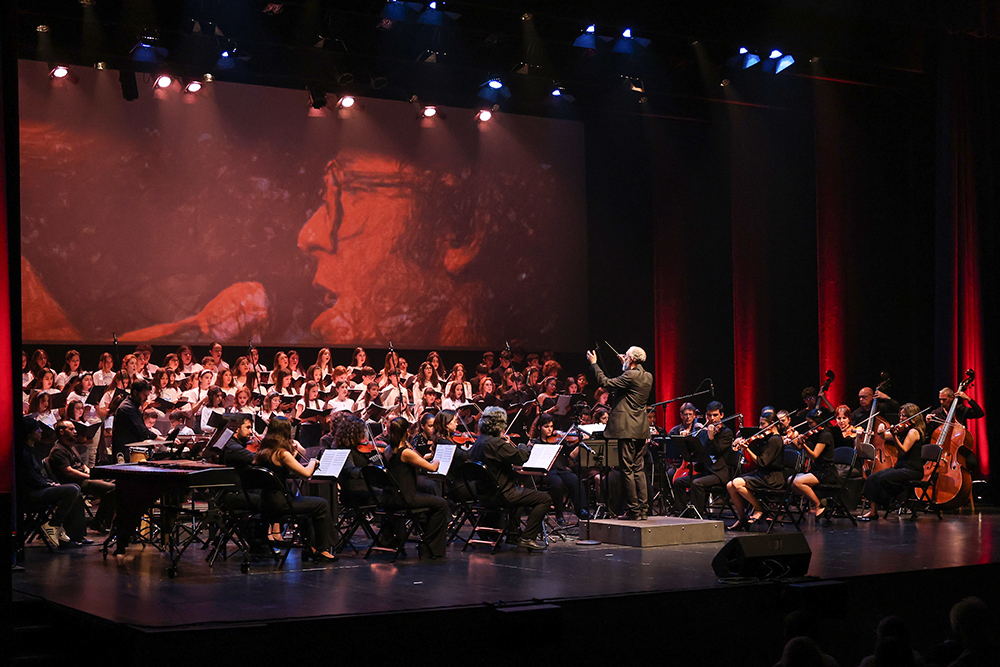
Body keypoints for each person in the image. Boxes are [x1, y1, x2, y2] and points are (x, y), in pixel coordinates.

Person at [253, 417, 337, 562]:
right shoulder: (282, 453)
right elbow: (306, 474)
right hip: (281, 504)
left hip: (265, 502)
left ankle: (311, 547)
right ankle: (323, 549)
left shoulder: (264, 452)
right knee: (321, 504)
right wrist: (312, 461)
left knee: (309, 507)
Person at [469, 406, 552, 551]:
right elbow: (521, 457)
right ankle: (527, 538)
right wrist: (523, 445)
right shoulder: (496, 444)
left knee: (520, 493)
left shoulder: (480, 441)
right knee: (545, 499)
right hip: (501, 494)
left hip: (484, 494)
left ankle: (513, 535)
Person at [586, 346, 653, 520]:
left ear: (631, 359)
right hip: (640, 429)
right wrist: (626, 365)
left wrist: (594, 364)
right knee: (638, 469)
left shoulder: (630, 375)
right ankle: (643, 510)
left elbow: (606, 383)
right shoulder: (647, 376)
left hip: (627, 429)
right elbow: (628, 384)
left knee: (627, 469)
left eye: (627, 357)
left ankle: (634, 510)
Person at [382, 417, 451, 559]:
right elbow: (432, 467)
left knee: (428, 507)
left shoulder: (388, 450)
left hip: (389, 497)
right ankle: (430, 546)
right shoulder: (406, 452)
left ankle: (427, 542)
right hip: (406, 499)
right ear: (406, 432)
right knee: (441, 504)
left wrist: (424, 457)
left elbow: (411, 462)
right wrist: (437, 457)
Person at [16, 418, 90, 549]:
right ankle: (54, 524)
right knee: (72, 489)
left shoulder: (32, 450)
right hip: (32, 493)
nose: (40, 432)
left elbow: (38, 477)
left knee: (75, 490)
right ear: (29, 433)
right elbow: (31, 479)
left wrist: (50, 483)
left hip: (39, 487)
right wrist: (50, 485)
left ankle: (75, 535)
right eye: (37, 429)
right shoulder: (23, 453)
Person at [859, 403, 927, 520]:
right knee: (872, 477)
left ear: (913, 417)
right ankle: (873, 511)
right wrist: (881, 431)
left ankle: (895, 499)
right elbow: (884, 436)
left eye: (904, 416)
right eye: (900, 415)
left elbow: (903, 451)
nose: (901, 419)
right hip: (901, 467)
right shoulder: (903, 430)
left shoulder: (913, 432)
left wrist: (895, 436)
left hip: (912, 469)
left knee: (882, 479)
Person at [48, 421, 116, 533]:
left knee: (118, 482)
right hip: (76, 482)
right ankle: (99, 522)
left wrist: (88, 471)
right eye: (71, 429)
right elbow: (69, 472)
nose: (75, 432)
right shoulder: (58, 450)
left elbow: (81, 464)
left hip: (84, 478)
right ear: (61, 431)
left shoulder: (71, 447)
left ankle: (102, 520)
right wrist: (89, 476)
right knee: (112, 489)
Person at [674, 401, 736, 518]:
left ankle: (697, 514)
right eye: (709, 415)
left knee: (696, 483)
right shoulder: (703, 432)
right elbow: (698, 451)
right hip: (706, 471)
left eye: (715, 415)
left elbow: (716, 451)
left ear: (721, 415)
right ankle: (681, 513)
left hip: (719, 473)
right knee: (679, 482)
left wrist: (711, 437)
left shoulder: (726, 433)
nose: (711, 418)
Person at [727, 411, 784, 529]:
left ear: (772, 424)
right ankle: (742, 518)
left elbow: (762, 462)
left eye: (763, 424)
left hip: (772, 477)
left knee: (737, 484)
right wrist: (742, 445)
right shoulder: (767, 439)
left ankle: (759, 508)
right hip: (762, 474)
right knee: (729, 485)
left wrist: (747, 449)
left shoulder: (775, 440)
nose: (760, 427)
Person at [789, 409, 838, 518]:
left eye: (811, 423)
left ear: (819, 421)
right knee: (790, 480)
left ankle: (818, 505)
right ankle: (815, 500)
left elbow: (814, 455)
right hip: (817, 469)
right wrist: (792, 441)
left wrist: (804, 445)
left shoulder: (825, 435)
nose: (809, 426)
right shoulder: (816, 434)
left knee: (797, 482)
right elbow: (803, 450)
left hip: (826, 471)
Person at [111, 380, 160, 460]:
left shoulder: (134, 406)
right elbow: (141, 431)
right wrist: (163, 440)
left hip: (130, 449)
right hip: (125, 452)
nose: (146, 398)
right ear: (135, 392)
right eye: (144, 395)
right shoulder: (127, 408)